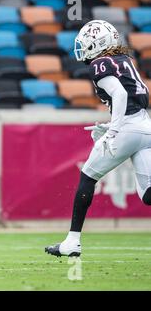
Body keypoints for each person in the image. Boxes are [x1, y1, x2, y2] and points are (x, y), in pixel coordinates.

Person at [45, 20, 151, 257]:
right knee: (148, 195)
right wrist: (113, 122)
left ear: (98, 43)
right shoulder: (125, 61)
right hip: (146, 126)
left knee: (88, 177)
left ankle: (72, 242)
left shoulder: (100, 64)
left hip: (127, 128)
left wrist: (114, 129)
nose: (83, 47)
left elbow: (121, 93)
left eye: (87, 42)